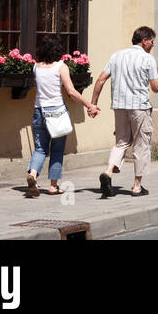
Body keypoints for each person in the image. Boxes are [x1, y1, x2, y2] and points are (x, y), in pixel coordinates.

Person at [91, 26, 158, 197]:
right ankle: (137, 186)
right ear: (145, 41)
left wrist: (93, 103)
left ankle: (108, 172)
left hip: (119, 106)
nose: (153, 46)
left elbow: (101, 80)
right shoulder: (147, 59)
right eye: (152, 42)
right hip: (139, 107)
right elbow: (156, 87)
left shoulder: (116, 56)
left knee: (121, 142)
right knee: (141, 144)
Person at [26, 38, 99, 198]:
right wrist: (89, 105)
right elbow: (71, 92)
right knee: (57, 150)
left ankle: (33, 174)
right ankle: (53, 186)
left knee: (40, 148)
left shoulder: (36, 67)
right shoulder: (61, 66)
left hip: (39, 110)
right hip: (57, 112)